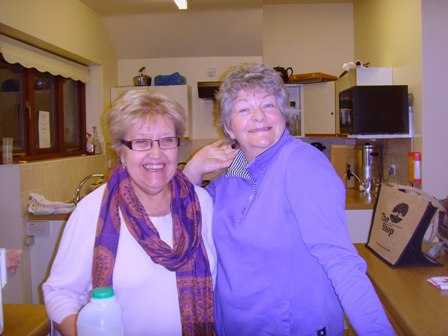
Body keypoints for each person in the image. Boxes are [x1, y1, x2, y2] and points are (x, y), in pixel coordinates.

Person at [183, 63, 395, 335]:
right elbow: (177, 221)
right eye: (244, 108)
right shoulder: (226, 183)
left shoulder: (302, 164)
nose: (259, 116)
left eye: (269, 105)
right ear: (229, 128)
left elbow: (340, 261)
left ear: (283, 116)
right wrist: (193, 169)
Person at [43, 90, 217, 336]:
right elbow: (60, 292)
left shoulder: (201, 204)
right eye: (141, 142)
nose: (156, 154)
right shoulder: (93, 210)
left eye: (167, 140)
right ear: (121, 152)